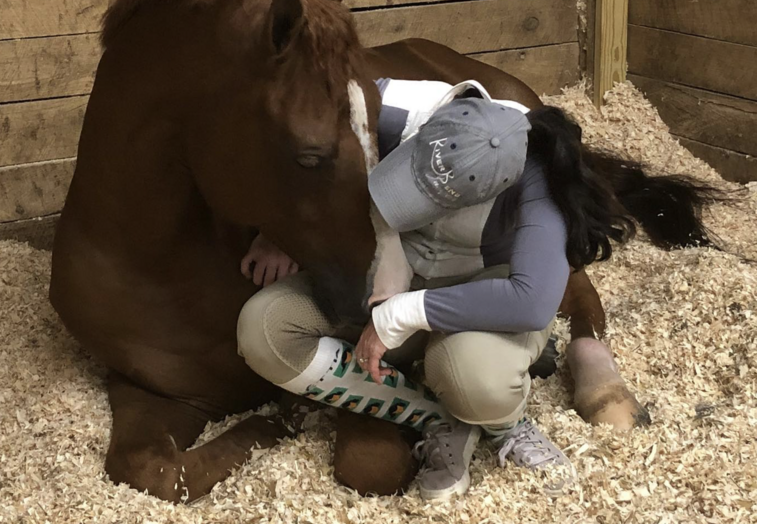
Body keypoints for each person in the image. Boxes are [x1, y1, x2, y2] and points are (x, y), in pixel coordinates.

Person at [238, 78, 632, 499]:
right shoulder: (384, 103)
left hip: (481, 288)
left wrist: (402, 312)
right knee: (264, 330)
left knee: (475, 381)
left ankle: (506, 427)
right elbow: (287, 140)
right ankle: (435, 418)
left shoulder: (538, 172)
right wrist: (274, 231)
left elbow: (532, 301)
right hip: (386, 268)